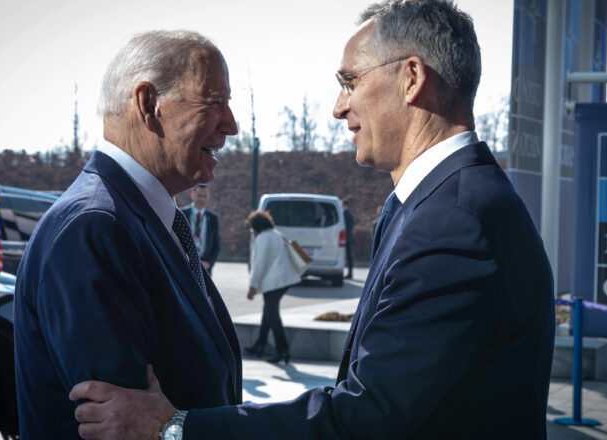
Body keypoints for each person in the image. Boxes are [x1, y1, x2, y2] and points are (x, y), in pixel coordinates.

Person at [70, 1, 555, 438]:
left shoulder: (456, 219)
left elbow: (366, 416)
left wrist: (176, 429)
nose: (338, 107)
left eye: (351, 82)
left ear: (411, 78)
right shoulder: (433, 205)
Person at [14, 30, 241, 439]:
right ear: (149, 104)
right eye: (214, 102)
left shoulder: (144, 219)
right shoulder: (94, 229)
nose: (232, 124)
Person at [242, 210, 302, 363]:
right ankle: (260, 344)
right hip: (284, 280)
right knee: (268, 312)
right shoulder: (276, 233)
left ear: (255, 225)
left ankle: (282, 350)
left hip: (274, 282)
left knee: (273, 316)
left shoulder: (262, 238)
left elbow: (260, 264)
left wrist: (252, 286)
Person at [181, 184, 221, 274]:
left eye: (205, 196)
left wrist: (209, 263)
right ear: (192, 195)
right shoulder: (182, 214)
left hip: (205, 268)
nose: (202, 199)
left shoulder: (212, 218)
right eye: (199, 196)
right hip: (185, 266)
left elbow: (216, 245)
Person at [341, 198, 355, 279]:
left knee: (347, 256)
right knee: (349, 256)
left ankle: (349, 273)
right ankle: (350, 273)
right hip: (349, 236)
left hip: (346, 237)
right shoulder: (349, 213)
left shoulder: (345, 213)